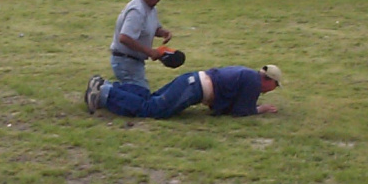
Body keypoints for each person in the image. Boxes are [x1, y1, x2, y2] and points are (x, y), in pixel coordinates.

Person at [84, 65, 282, 119]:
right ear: (269, 80)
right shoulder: (254, 83)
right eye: (275, 85)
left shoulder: (247, 73)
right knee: (151, 109)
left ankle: (108, 85)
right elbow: (241, 111)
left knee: (151, 97)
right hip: (194, 88)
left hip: (192, 79)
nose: (272, 90)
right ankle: (103, 92)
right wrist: (260, 109)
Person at [109, 0, 173, 90]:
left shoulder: (151, 8)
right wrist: (149, 51)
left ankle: (104, 89)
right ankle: (103, 92)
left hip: (133, 61)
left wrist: (163, 32)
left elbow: (147, 28)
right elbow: (124, 37)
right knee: (141, 99)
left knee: (134, 94)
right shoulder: (137, 11)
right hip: (125, 61)